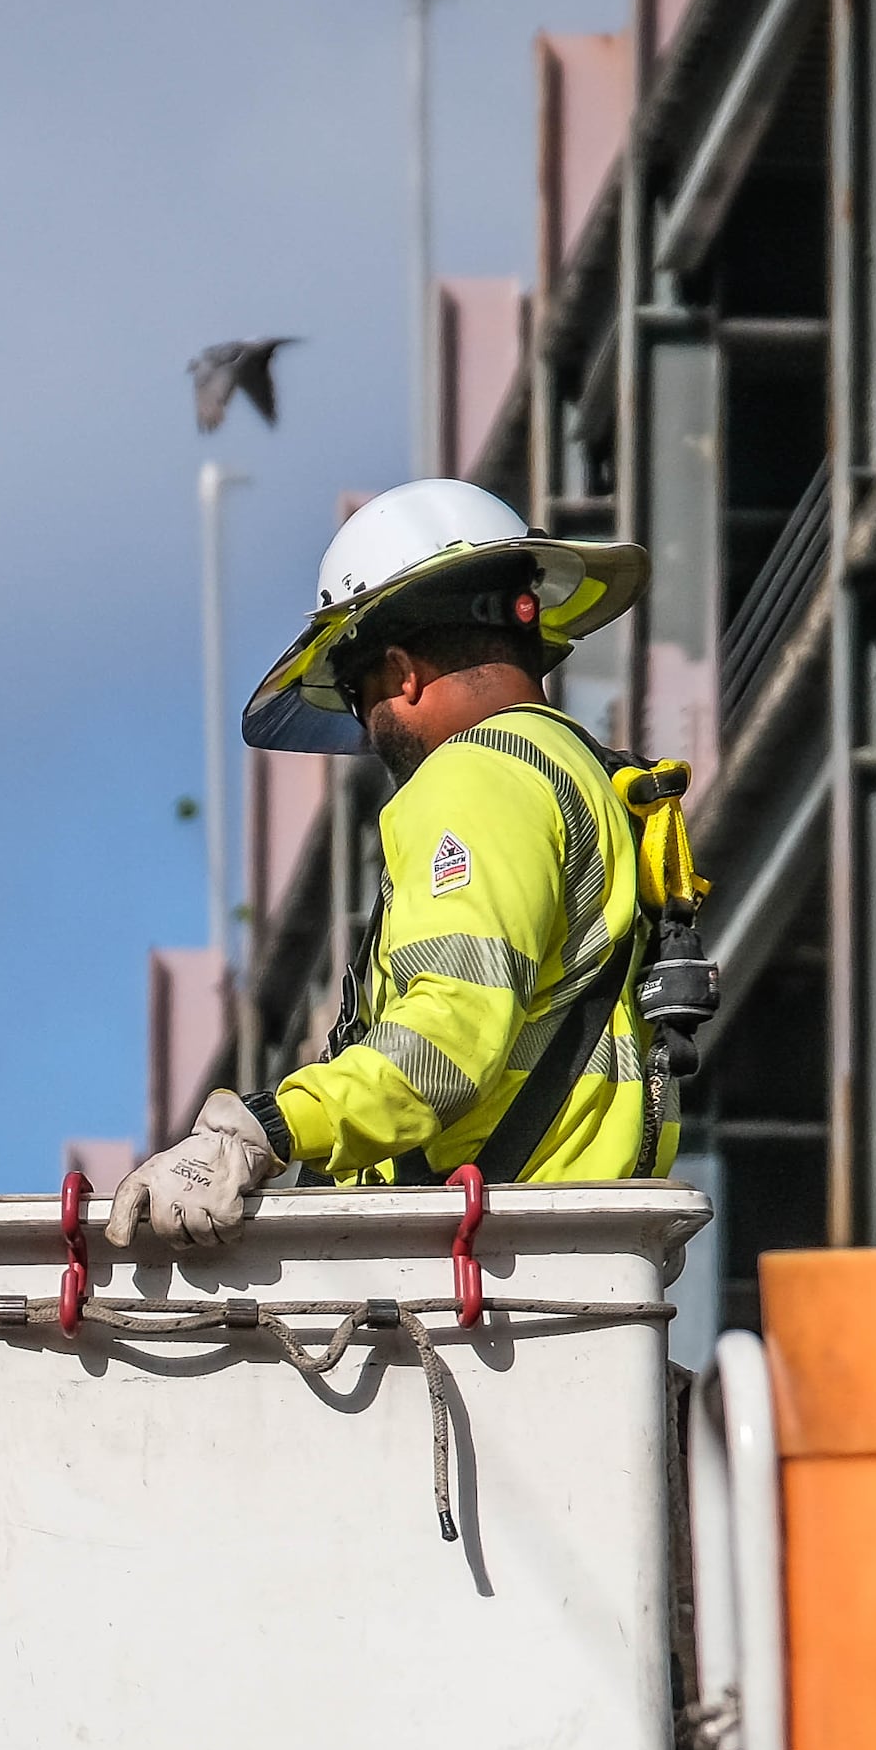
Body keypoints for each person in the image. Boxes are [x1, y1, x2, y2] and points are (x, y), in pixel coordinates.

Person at [112, 476, 686, 1245]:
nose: (370, 732)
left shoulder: (473, 775)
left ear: (402, 671)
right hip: (568, 1254)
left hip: (494, 1273)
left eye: (360, 699)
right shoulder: (580, 773)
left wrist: (267, 1128)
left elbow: (449, 1033)